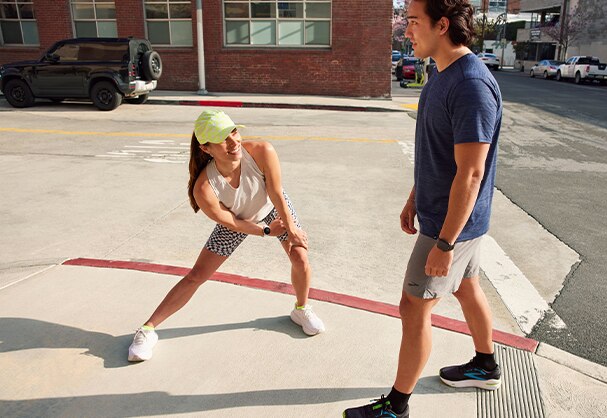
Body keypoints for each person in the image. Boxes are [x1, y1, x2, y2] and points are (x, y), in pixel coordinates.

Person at [344, 0, 502, 416]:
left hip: (451, 226)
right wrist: (415, 196)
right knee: (467, 287)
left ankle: (396, 407)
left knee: (413, 306)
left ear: (442, 25)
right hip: (448, 218)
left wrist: (444, 244)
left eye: (414, 22)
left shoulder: (470, 85)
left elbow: (471, 173)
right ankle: (486, 365)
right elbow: (438, 152)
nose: (406, 30)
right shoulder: (440, 74)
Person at [128, 110, 325, 362]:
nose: (234, 142)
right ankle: (147, 330)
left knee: (300, 257)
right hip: (238, 220)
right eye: (223, 138)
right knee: (196, 275)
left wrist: (291, 228)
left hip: (273, 208)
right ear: (206, 148)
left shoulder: (262, 151)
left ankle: (301, 309)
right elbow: (231, 222)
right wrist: (265, 231)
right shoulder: (204, 188)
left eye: (234, 131)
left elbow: (276, 192)